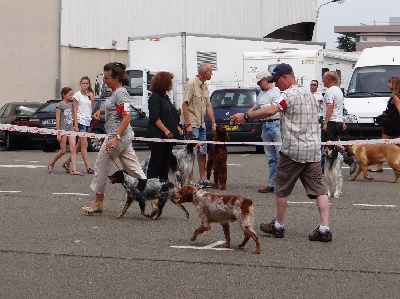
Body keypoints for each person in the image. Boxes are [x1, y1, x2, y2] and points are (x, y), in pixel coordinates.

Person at [230, 63, 332, 242]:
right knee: (320, 190)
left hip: (293, 150)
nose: (276, 85)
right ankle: (325, 228)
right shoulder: (310, 94)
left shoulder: (288, 95)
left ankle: (278, 226)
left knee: (281, 187)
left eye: (277, 80)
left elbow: (272, 110)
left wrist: (245, 116)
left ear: (285, 77)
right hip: (313, 150)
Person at [82, 62, 146, 215]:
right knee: (134, 169)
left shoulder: (120, 93)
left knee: (100, 167)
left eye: (107, 78)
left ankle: (98, 203)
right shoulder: (116, 93)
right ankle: (154, 195)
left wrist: (116, 137)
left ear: (116, 78)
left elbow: (127, 116)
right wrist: (102, 111)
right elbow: (116, 109)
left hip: (117, 136)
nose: (105, 80)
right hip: (122, 136)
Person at [182, 63, 216, 186]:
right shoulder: (191, 84)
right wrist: (188, 124)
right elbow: (184, 105)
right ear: (205, 73)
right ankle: (191, 181)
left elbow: (208, 106)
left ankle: (202, 179)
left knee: (202, 152)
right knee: (190, 153)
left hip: (201, 124)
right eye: (211, 71)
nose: (212, 73)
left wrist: (213, 122)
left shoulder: (205, 86)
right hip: (192, 123)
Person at [248, 70, 281, 193]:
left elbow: (272, 110)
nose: (259, 85)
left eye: (259, 82)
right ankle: (272, 184)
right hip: (265, 125)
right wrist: (244, 116)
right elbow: (255, 107)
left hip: (276, 124)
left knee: (280, 156)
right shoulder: (261, 94)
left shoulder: (277, 92)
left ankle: (281, 183)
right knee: (271, 157)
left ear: (266, 79)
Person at [147, 71, 183, 179]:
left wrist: (177, 127)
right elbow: (155, 117)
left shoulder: (166, 98)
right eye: (170, 82)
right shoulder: (154, 98)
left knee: (165, 163)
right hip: (159, 135)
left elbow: (171, 115)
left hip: (169, 137)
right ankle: (151, 186)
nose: (171, 84)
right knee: (156, 162)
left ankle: (163, 186)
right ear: (164, 82)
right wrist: (166, 130)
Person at [321, 71, 356, 174]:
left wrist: (325, 122)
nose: (322, 80)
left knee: (324, 144)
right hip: (338, 121)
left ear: (328, 80)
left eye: (323, 78)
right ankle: (328, 167)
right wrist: (342, 121)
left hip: (331, 122)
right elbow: (340, 107)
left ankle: (349, 160)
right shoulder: (339, 91)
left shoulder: (330, 91)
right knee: (334, 144)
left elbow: (330, 106)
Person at [62, 76, 94, 174]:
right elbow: (74, 110)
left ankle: (67, 162)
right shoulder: (77, 95)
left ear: (89, 85)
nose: (85, 85)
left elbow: (91, 109)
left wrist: (92, 99)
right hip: (80, 121)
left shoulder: (89, 95)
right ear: (80, 84)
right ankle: (88, 167)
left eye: (86, 84)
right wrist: (75, 124)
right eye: (83, 83)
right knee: (84, 144)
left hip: (88, 120)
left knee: (80, 145)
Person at [48, 87, 83, 176]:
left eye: (72, 94)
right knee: (63, 150)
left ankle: (74, 169)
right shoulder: (59, 105)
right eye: (70, 94)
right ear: (64, 94)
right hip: (63, 129)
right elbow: (58, 120)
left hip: (70, 129)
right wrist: (58, 132)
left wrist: (76, 126)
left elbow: (74, 115)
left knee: (73, 149)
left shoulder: (71, 105)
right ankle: (51, 164)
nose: (71, 96)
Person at [368, 76, 400, 173]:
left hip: (393, 125)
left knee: (382, 144)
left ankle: (378, 166)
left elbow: (399, 109)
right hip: (395, 123)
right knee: (397, 144)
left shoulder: (395, 96)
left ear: (393, 84)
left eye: (389, 82)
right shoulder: (395, 95)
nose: (387, 84)